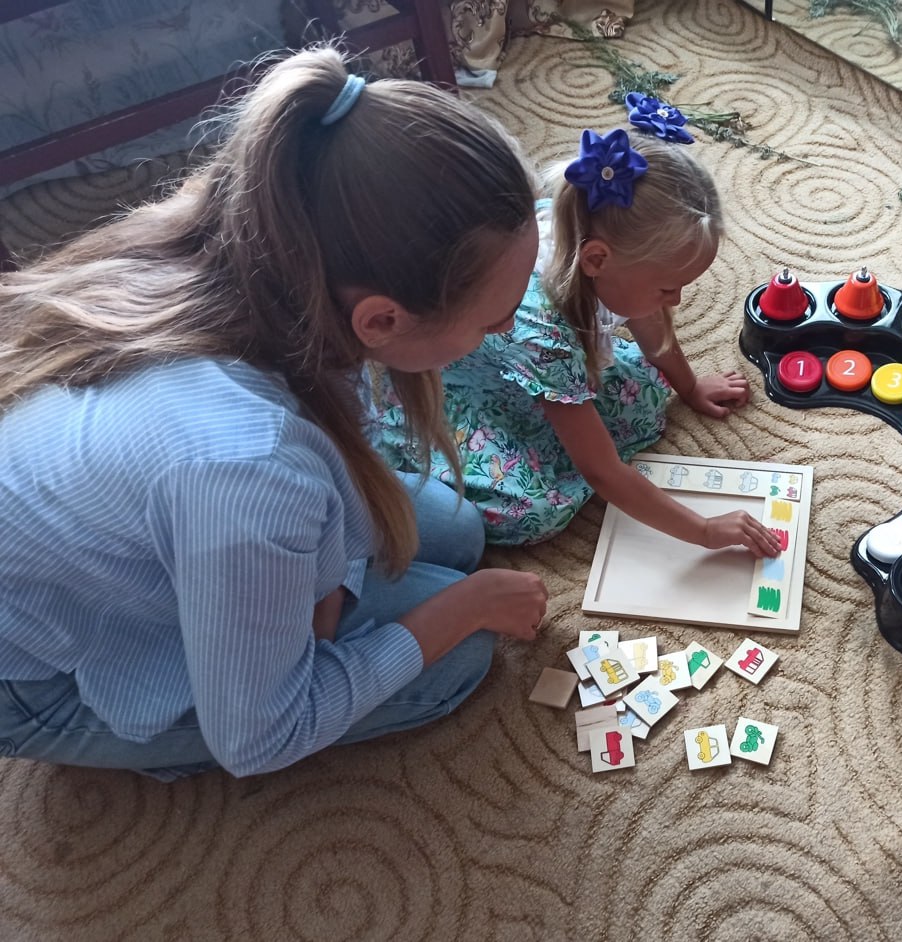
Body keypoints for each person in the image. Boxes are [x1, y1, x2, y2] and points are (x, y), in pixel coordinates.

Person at [0, 48, 549, 781]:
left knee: (454, 528)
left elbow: (304, 475)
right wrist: (465, 610)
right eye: (493, 320)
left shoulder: (277, 266)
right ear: (381, 320)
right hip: (36, 678)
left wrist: (325, 584)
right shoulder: (249, 469)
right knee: (462, 652)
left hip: (154, 525)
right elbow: (259, 735)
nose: (508, 328)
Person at [371, 105, 782, 557]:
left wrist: (689, 386)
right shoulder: (543, 331)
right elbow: (601, 472)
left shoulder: (591, 232)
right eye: (667, 288)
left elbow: (650, 323)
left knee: (646, 395)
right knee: (535, 508)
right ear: (597, 260)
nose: (677, 301)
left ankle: (560, 417)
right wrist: (703, 530)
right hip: (453, 392)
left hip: (541, 365)